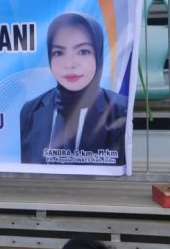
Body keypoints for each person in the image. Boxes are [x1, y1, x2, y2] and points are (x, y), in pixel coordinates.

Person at [19, 13, 127, 165]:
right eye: (59, 53)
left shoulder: (120, 109)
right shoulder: (30, 111)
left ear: (98, 55)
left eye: (83, 51)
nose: (70, 64)